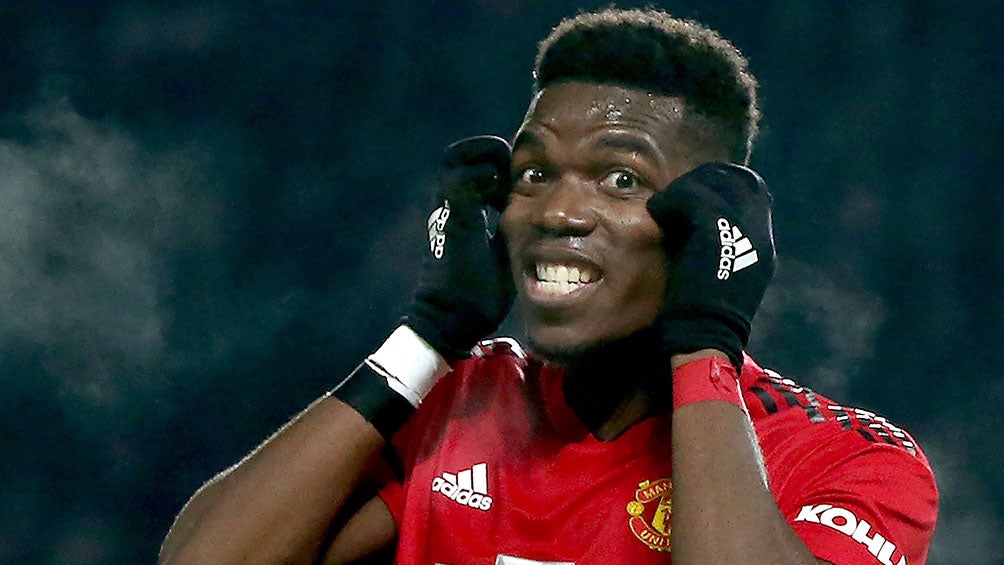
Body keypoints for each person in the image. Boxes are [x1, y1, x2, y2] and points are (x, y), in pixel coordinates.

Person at [160, 8, 938, 564]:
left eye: (619, 177)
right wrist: (430, 330)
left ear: (708, 221)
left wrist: (705, 340)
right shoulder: (450, 403)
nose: (559, 210)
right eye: (534, 173)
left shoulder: (850, 461)